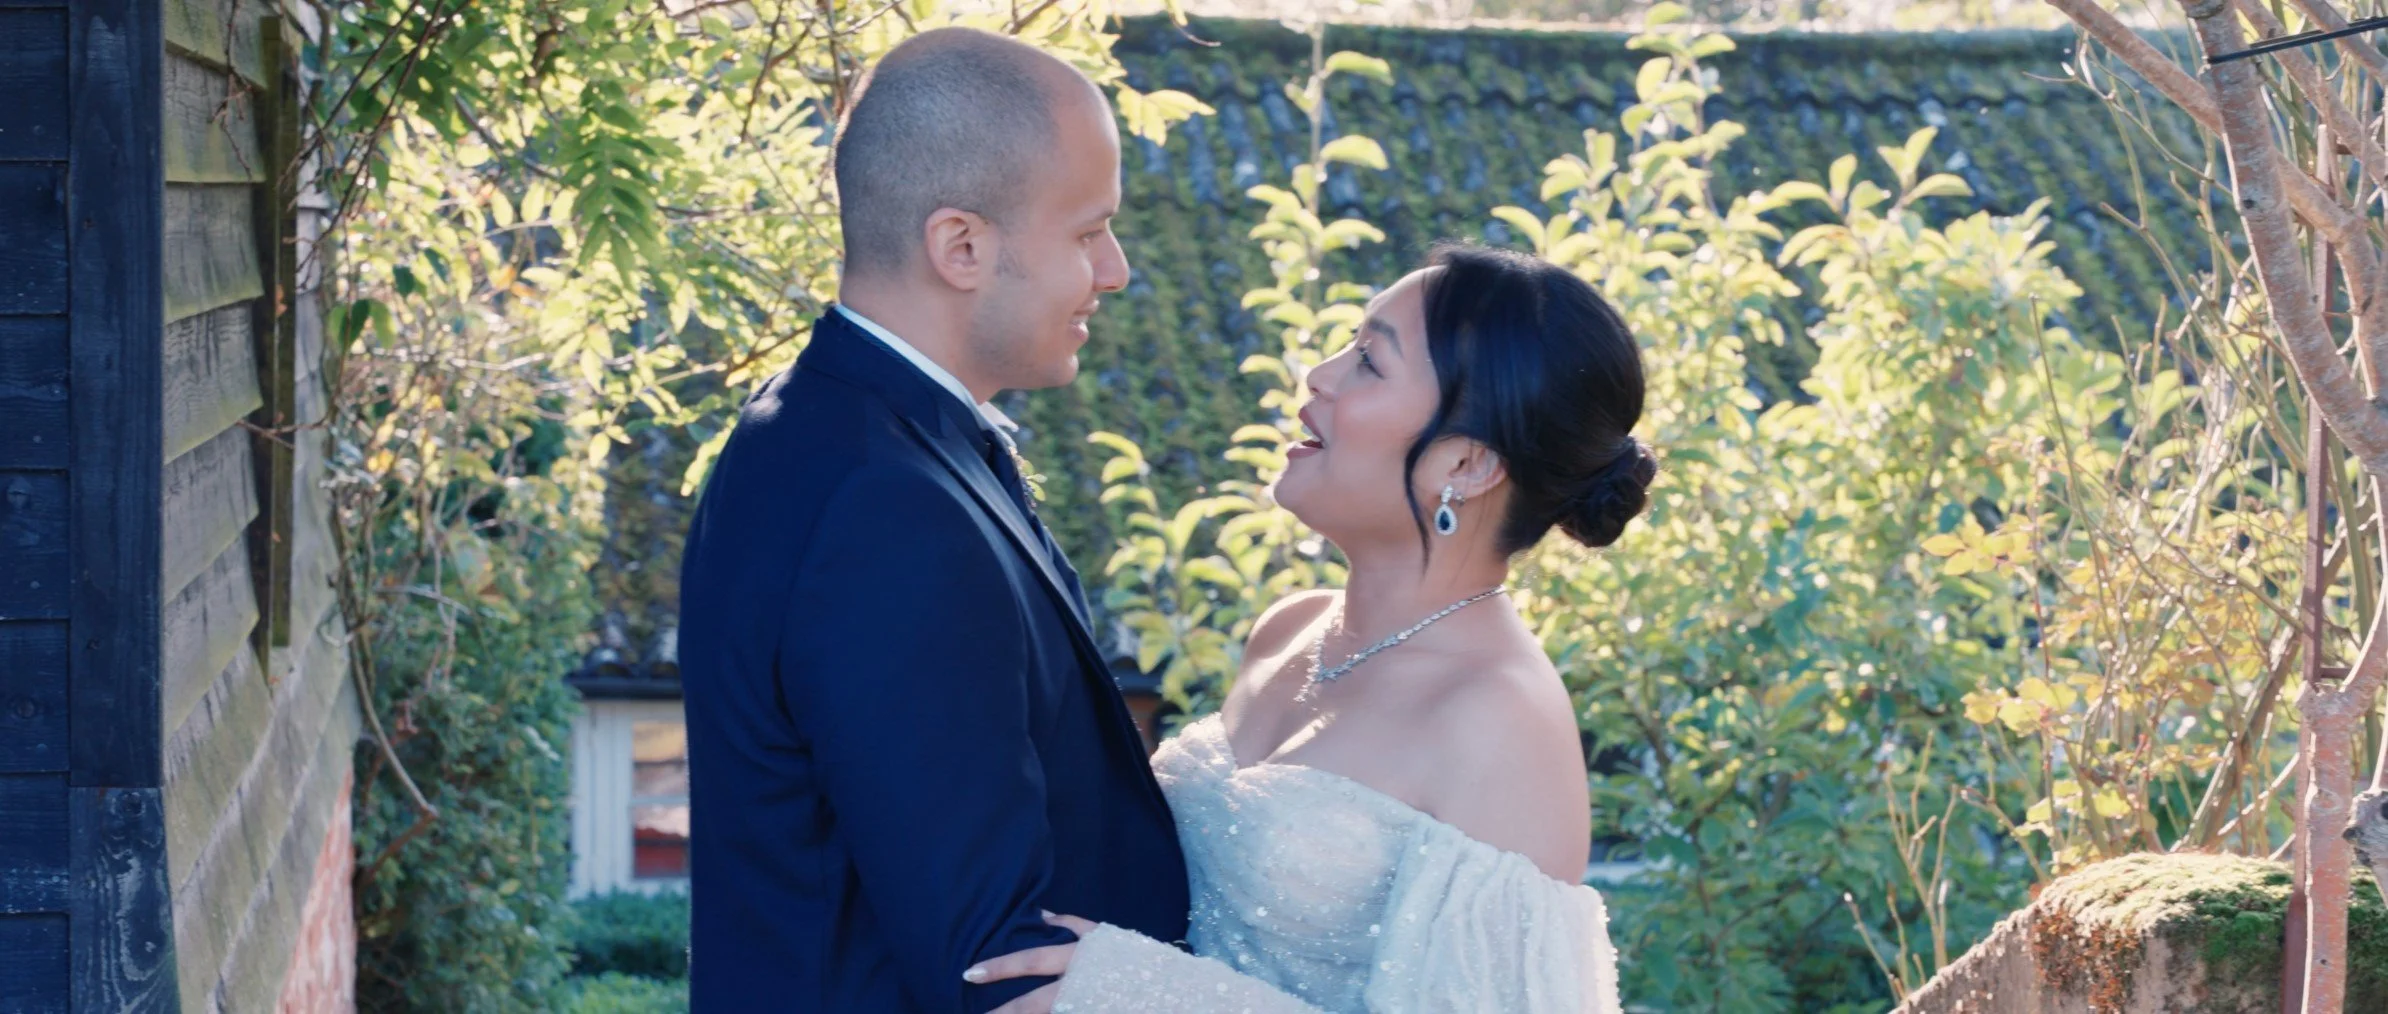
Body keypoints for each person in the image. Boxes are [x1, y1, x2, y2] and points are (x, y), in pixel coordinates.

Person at [968, 245, 1651, 1013]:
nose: (1319, 375)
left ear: (1465, 462)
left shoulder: (1502, 720)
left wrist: (1133, 990)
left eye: (1368, 361)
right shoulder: (1289, 630)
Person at [675, 27, 1190, 1011]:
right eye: (1089, 233)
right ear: (962, 246)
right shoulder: (886, 512)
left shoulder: (843, 428)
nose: (1115, 270)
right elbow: (991, 971)